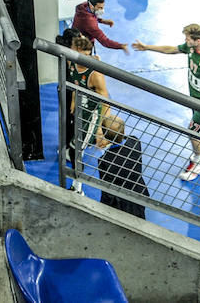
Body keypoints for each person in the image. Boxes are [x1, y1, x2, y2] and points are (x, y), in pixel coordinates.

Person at [133, 24, 200, 181]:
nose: (185, 40)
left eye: (187, 38)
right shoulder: (192, 48)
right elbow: (171, 49)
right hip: (195, 98)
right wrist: (147, 47)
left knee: (192, 131)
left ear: (197, 40)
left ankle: (199, 159)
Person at [59, 28, 111, 192]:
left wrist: (100, 129)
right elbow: (75, 84)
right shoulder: (71, 62)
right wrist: (74, 100)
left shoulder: (95, 74)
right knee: (76, 147)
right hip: (80, 109)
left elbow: (106, 102)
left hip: (92, 115)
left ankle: (77, 188)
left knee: (76, 149)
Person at [95, 117, 149, 219]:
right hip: (138, 193)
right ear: (123, 131)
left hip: (120, 203)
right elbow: (127, 138)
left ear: (104, 135)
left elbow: (107, 189)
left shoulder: (104, 160)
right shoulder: (135, 142)